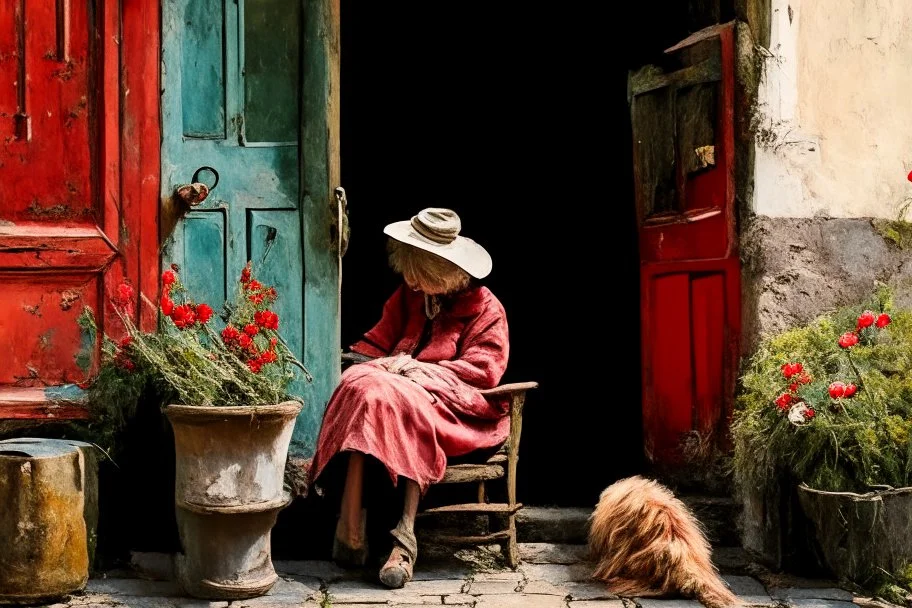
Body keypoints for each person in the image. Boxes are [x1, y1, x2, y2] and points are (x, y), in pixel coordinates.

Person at [308, 207, 511, 588]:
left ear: (443, 269)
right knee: (359, 384)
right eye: (409, 270)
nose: (411, 281)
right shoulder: (409, 296)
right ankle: (351, 526)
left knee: (397, 397)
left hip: (457, 409)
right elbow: (376, 343)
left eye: (420, 272)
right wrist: (371, 364)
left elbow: (484, 372)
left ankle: (404, 540)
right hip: (394, 392)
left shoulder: (487, 309)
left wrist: (421, 372)